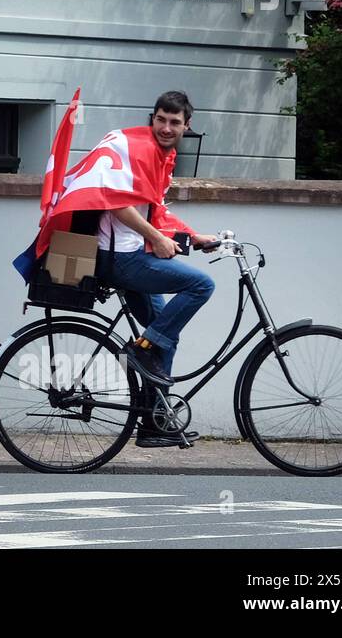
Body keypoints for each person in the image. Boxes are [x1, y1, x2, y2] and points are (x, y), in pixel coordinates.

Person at [91, 91, 219, 448]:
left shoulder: (164, 154)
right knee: (201, 286)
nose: (166, 127)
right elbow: (116, 203)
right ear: (153, 118)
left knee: (165, 335)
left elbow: (155, 212)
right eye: (160, 119)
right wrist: (158, 240)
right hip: (120, 259)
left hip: (131, 255)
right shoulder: (142, 150)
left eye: (174, 122)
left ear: (186, 126)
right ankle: (142, 349)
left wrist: (193, 237)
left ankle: (152, 424)